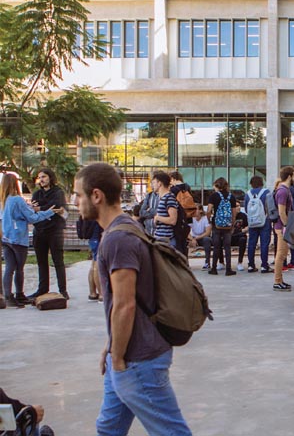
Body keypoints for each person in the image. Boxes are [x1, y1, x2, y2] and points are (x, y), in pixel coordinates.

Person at [73, 163, 192, 436]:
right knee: (109, 428)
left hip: (138, 359)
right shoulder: (124, 227)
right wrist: (112, 346)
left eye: (78, 195)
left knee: (171, 432)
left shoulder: (118, 239)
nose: (75, 201)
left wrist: (117, 359)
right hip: (127, 352)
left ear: (96, 195)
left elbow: (125, 304)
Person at [2, 174, 60, 308]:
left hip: (6, 237)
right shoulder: (17, 199)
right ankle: (19, 294)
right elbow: (32, 218)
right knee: (19, 268)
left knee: (9, 267)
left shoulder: (3, 200)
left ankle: (8, 297)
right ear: (14, 183)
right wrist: (49, 212)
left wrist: (29, 208)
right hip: (18, 237)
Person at [30, 168, 69, 300]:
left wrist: (41, 208)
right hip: (39, 231)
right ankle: (42, 289)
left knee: (58, 261)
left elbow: (56, 206)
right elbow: (34, 209)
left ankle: (63, 290)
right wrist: (45, 208)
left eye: (44, 177)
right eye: (40, 177)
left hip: (55, 231)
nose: (41, 180)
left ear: (50, 177)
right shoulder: (37, 194)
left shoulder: (58, 192)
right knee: (41, 262)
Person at [206, 177, 238, 276]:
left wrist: (209, 220)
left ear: (216, 185)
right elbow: (234, 213)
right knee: (227, 247)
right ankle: (228, 269)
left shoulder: (213, 196)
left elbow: (209, 210)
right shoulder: (231, 196)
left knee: (216, 246)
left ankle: (214, 268)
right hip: (227, 225)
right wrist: (232, 224)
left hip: (217, 224)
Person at [272, 167, 294, 291]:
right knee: (281, 254)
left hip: (281, 226)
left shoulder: (283, 190)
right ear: (289, 176)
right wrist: (287, 226)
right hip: (282, 227)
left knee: (282, 254)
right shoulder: (283, 191)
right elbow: (281, 212)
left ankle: (280, 280)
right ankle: (277, 281)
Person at [244, 176, 272, 273]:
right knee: (264, 244)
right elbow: (270, 207)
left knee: (251, 243)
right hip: (264, 221)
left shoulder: (248, 194)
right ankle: (264, 265)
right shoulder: (266, 192)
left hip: (252, 221)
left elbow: (246, 209)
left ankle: (251, 265)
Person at [151, 171, 179, 249]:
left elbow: (173, 220)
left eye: (154, 183)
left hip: (166, 241)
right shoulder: (162, 198)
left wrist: (157, 218)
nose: (152, 185)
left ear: (159, 183)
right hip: (160, 239)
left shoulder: (169, 198)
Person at [168, 171, 193, 256]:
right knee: (184, 241)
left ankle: (180, 260)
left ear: (173, 179)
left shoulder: (173, 190)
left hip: (178, 217)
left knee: (178, 242)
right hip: (188, 216)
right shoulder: (187, 187)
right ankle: (185, 259)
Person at [87, 218, 104, 302]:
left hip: (93, 238)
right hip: (98, 237)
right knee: (97, 265)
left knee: (93, 264)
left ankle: (92, 293)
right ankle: (101, 294)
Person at [231, 205, 248, 272]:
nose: (238, 207)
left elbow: (247, 226)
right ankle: (221, 262)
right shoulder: (228, 215)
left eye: (239, 206)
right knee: (219, 239)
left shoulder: (243, 216)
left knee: (243, 239)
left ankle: (240, 262)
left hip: (240, 236)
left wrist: (245, 229)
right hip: (230, 236)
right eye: (236, 206)